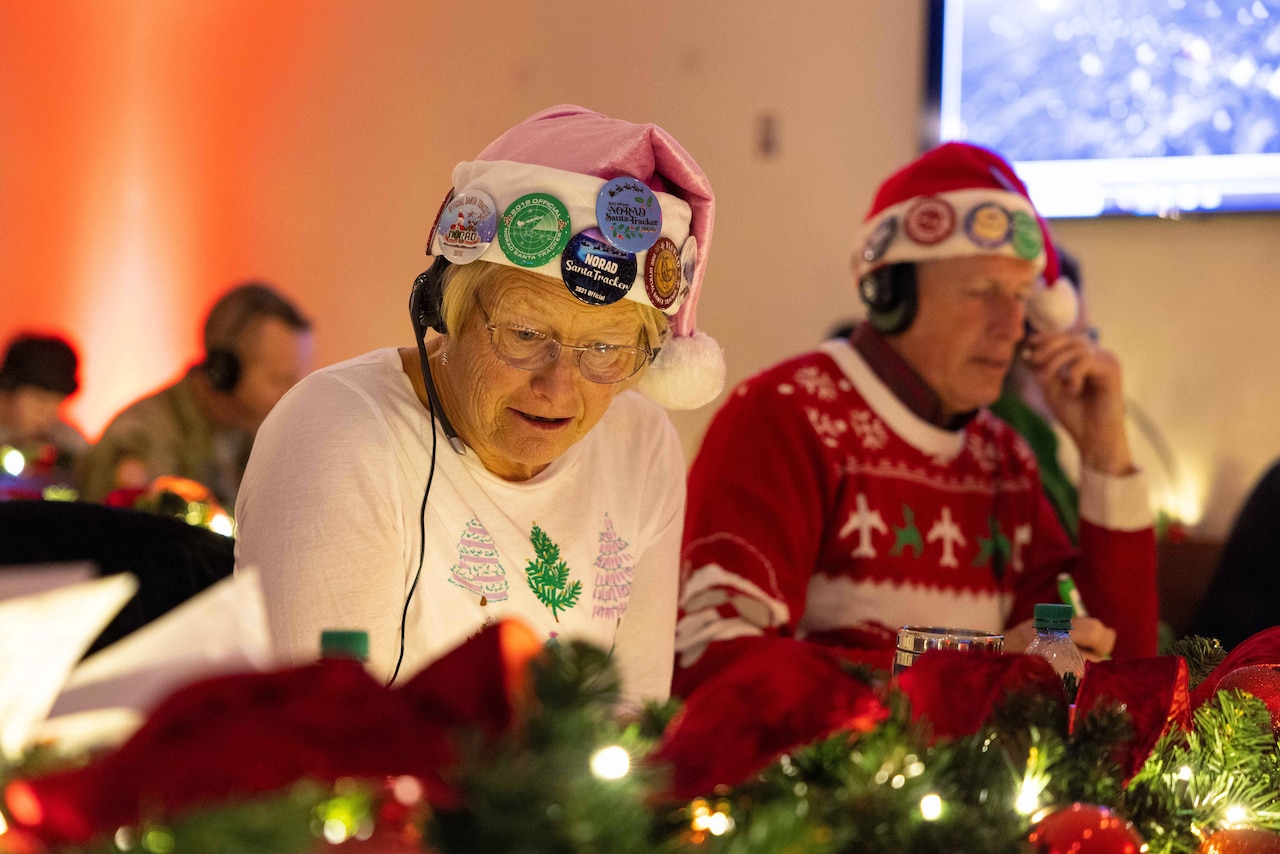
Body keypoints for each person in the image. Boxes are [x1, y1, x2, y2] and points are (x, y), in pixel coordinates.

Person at [234, 105, 722, 706]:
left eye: (605, 348)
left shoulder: (640, 445)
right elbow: (325, 743)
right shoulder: (337, 435)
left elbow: (633, 714)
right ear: (447, 310)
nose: (559, 388)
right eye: (524, 334)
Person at [674, 142, 1157, 693]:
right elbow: (712, 660)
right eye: (982, 292)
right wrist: (979, 667)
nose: (1013, 326)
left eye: (1023, 296)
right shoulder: (784, 414)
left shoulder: (1004, 460)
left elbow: (1118, 689)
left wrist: (1106, 457)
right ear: (890, 294)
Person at [80, 283, 313, 509]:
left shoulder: (255, 439)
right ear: (224, 371)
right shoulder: (140, 437)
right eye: (279, 379)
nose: (292, 394)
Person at [0, 333, 89, 490]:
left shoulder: (68, 444)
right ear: (6, 391)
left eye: (58, 404)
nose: (48, 415)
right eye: (40, 401)